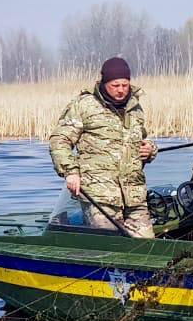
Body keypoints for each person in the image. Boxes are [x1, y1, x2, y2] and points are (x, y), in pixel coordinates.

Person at [48, 57, 158, 238]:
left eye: (125, 84)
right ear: (104, 83)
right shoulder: (85, 105)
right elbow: (59, 140)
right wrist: (71, 172)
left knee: (146, 246)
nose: (121, 90)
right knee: (109, 245)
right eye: (115, 85)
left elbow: (140, 140)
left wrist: (151, 150)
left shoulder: (135, 107)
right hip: (99, 196)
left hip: (134, 194)